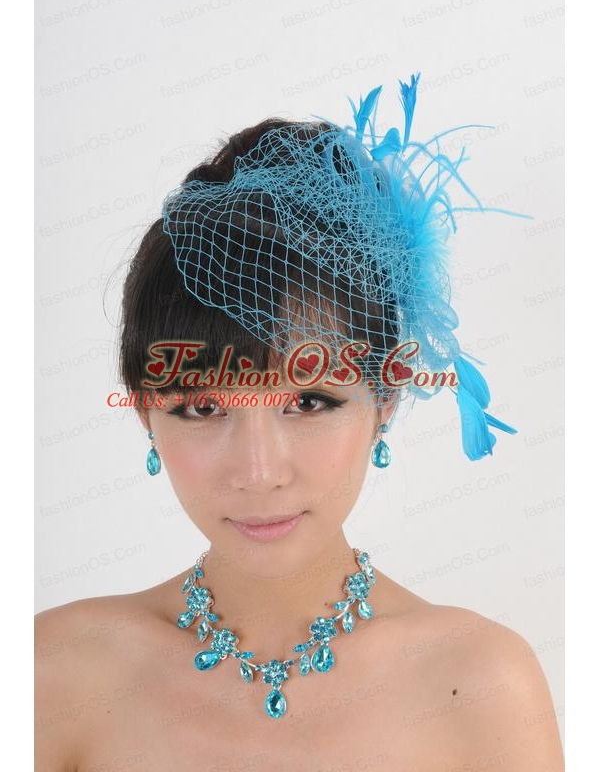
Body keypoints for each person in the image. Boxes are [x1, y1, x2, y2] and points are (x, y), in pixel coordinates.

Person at [35, 75, 564, 769]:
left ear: (386, 399)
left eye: (309, 402)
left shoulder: (481, 688)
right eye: (203, 407)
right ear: (144, 411)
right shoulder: (55, 675)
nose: (260, 473)